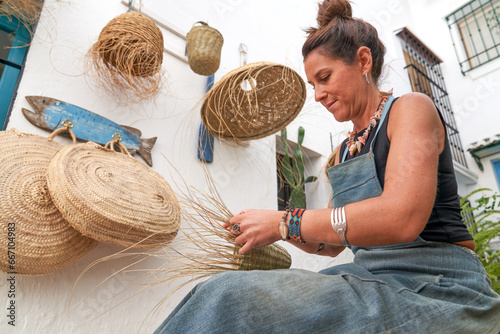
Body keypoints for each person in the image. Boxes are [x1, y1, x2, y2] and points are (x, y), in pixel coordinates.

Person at [154, 0, 500, 332]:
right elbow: (334, 243)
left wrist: (285, 221)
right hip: (369, 281)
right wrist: (278, 230)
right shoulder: (344, 151)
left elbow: (402, 217)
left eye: (324, 77)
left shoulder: (410, 110)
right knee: (218, 291)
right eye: (313, 85)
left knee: (229, 297)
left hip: (437, 288)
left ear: (363, 61)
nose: (317, 94)